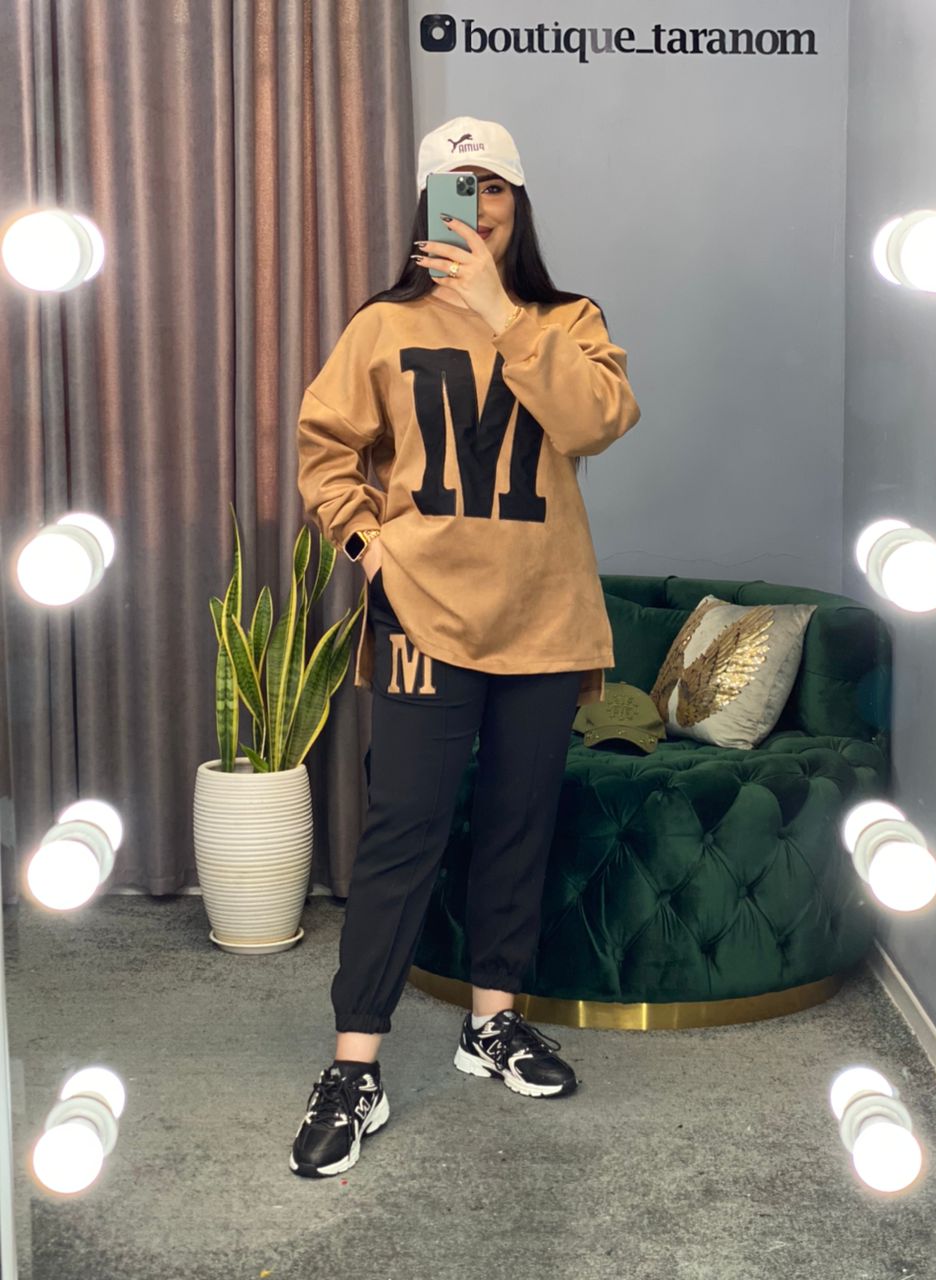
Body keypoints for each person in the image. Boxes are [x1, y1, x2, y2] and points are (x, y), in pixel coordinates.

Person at [289, 116, 641, 1178]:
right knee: (402, 832)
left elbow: (595, 421)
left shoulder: (569, 319)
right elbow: (325, 450)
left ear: (518, 204)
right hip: (422, 615)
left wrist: (498, 309)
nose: (476, 205)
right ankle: (354, 1064)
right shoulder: (383, 325)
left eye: (493, 186)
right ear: (427, 202)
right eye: (457, 185)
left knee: (518, 827)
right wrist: (370, 549)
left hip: (544, 619)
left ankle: (493, 1023)